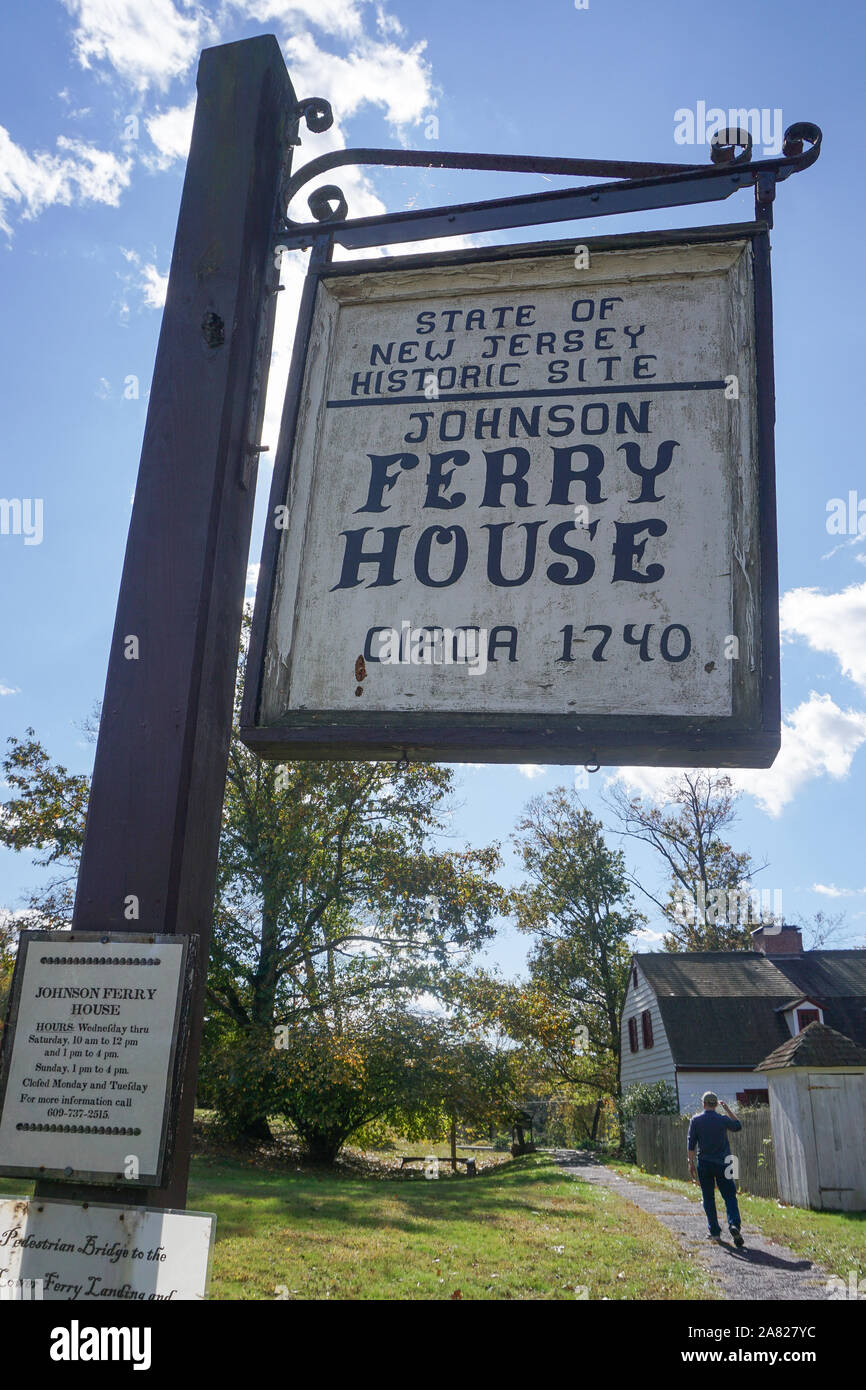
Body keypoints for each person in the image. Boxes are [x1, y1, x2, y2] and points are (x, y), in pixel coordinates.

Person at [687, 1091, 745, 1247]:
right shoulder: (722, 1120)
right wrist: (727, 1110)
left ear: (703, 1103)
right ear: (715, 1104)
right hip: (724, 1162)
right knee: (730, 1196)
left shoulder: (696, 1120)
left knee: (708, 1197)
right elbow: (738, 1126)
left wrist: (690, 1162)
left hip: (704, 1163)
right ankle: (734, 1224)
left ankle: (714, 1231)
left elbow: (691, 1143)